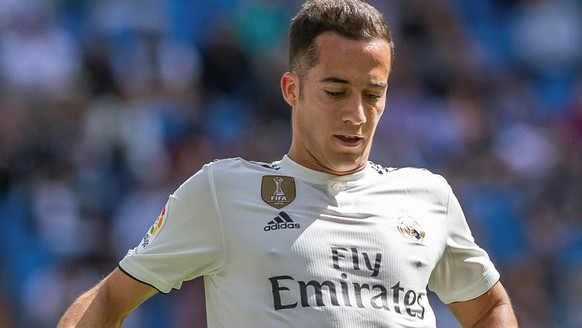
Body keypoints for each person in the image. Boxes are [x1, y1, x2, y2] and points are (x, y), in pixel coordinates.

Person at [59, 0, 519, 327]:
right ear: (292, 90)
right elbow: (108, 300)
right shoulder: (223, 192)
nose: (356, 114)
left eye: (373, 95)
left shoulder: (428, 197)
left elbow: (487, 309)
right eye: (336, 91)